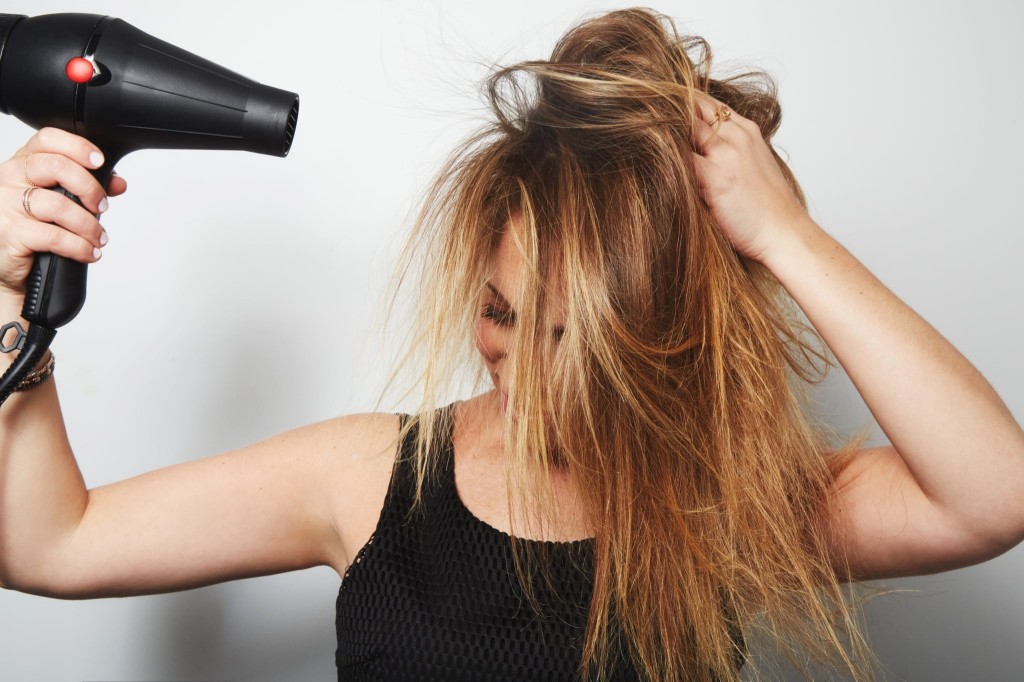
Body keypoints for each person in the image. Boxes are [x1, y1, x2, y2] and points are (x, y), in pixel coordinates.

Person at [0, 7, 1021, 682]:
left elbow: (991, 495)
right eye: (498, 313)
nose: (522, 369)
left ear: (658, 339)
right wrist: (14, 298)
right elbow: (51, 543)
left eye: (573, 337)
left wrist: (785, 237)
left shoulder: (721, 500)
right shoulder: (371, 477)